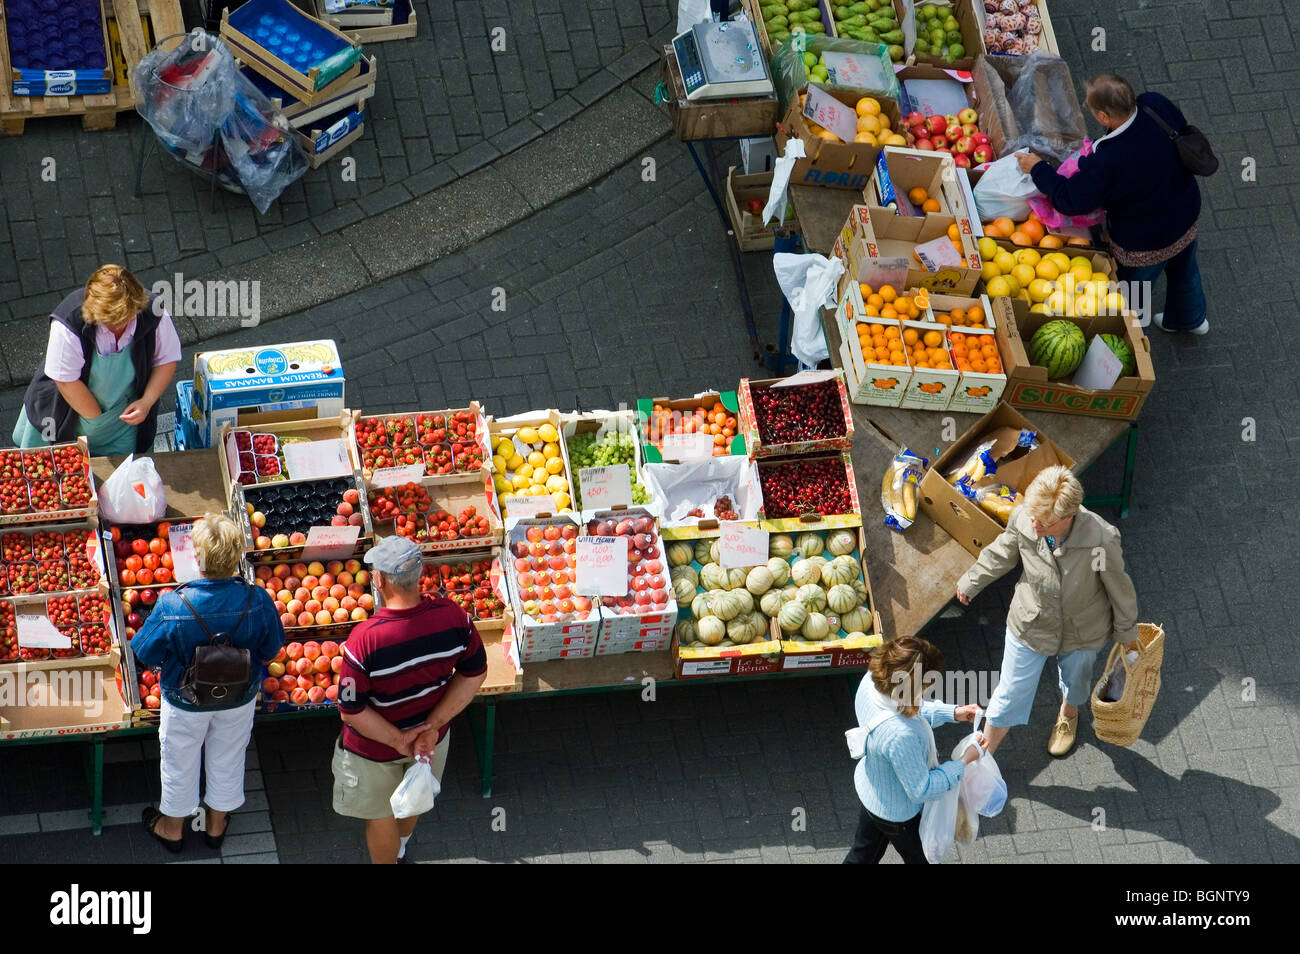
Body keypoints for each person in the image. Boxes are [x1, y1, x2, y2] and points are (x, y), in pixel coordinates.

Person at [956, 466, 1139, 759]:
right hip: (1030, 621)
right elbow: (1002, 552)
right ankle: (980, 759)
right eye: (1032, 516)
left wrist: (1128, 635)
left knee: (1077, 681)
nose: (1035, 524)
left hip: (1082, 628)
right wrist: (971, 581)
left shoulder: (1101, 539)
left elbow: (1120, 587)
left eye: (1045, 521)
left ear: (1069, 517)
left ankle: (1068, 713)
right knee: (1009, 693)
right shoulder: (1025, 517)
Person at [132, 514, 285, 853]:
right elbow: (272, 648)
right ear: (236, 558)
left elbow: (143, 650)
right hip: (238, 695)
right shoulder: (257, 600)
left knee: (179, 759)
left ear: (198, 559)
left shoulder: (174, 604)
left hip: (185, 699)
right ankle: (215, 826)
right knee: (229, 755)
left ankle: (172, 829)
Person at [332, 535, 488, 864]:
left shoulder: (363, 641)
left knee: (379, 814)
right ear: (419, 576)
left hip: (374, 749)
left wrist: (399, 739)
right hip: (431, 741)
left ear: (380, 580)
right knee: (413, 795)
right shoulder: (454, 617)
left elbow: (350, 710)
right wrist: (430, 728)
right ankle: (400, 849)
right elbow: (474, 673)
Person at [1017, 73, 1207, 335]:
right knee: (1184, 267)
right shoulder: (1154, 104)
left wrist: (1038, 169)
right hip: (1186, 211)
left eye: (1090, 107)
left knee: (1134, 291)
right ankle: (1191, 319)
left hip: (1147, 239)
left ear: (1104, 117)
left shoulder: (1107, 161)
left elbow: (1070, 200)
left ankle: (1130, 331)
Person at [13, 264, 181, 456]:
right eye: (109, 322)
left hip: (122, 419)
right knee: (55, 469)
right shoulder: (68, 321)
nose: (117, 328)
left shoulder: (153, 312)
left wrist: (147, 401)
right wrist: (95, 418)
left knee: (120, 473)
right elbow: (65, 382)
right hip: (64, 409)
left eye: (124, 319)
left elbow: (166, 360)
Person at [845, 636, 984, 864]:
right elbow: (922, 789)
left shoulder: (871, 682)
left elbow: (908, 709)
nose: (928, 687)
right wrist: (963, 762)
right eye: (925, 684)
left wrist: (953, 713)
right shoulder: (902, 736)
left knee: (862, 856)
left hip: (874, 792)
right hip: (900, 815)